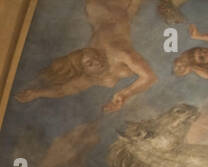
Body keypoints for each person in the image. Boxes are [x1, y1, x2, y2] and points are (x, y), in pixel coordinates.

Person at [13, 0, 157, 113]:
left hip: (103, 10)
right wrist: (37, 93)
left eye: (94, 55)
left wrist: (125, 93)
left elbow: (150, 77)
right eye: (90, 64)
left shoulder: (117, 51)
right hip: (118, 11)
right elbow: (64, 90)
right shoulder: (94, 76)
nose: (97, 60)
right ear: (85, 72)